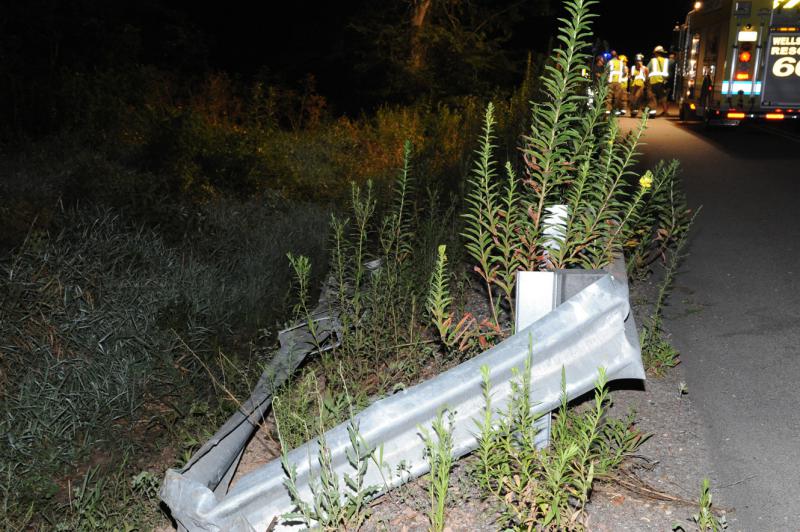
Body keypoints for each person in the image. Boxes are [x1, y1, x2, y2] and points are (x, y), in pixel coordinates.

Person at [647, 45, 670, 117]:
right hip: (662, 80)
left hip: (653, 80)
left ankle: (652, 111)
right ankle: (665, 111)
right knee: (662, 96)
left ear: (656, 53)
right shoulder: (666, 61)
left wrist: (646, 79)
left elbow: (647, 69)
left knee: (652, 96)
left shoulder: (653, 60)